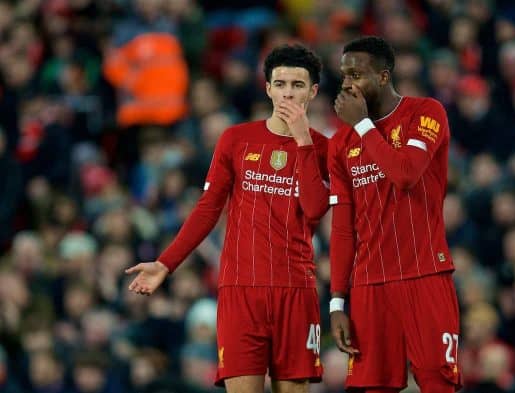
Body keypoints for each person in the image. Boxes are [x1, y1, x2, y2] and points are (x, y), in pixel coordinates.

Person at [125, 44, 329, 393]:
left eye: (298, 85)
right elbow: (208, 208)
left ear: (312, 91)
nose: (288, 93)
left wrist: (303, 141)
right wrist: (165, 263)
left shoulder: (325, 149)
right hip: (240, 291)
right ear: (267, 88)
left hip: (295, 289)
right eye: (280, 84)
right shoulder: (236, 140)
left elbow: (315, 209)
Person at [328, 36, 462, 393]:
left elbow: (405, 174)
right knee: (374, 387)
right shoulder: (340, 144)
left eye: (356, 74)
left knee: (438, 382)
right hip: (370, 284)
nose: (347, 84)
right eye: (344, 76)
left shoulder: (426, 112)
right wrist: (337, 301)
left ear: (384, 77)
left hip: (424, 272)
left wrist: (363, 127)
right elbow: (342, 228)